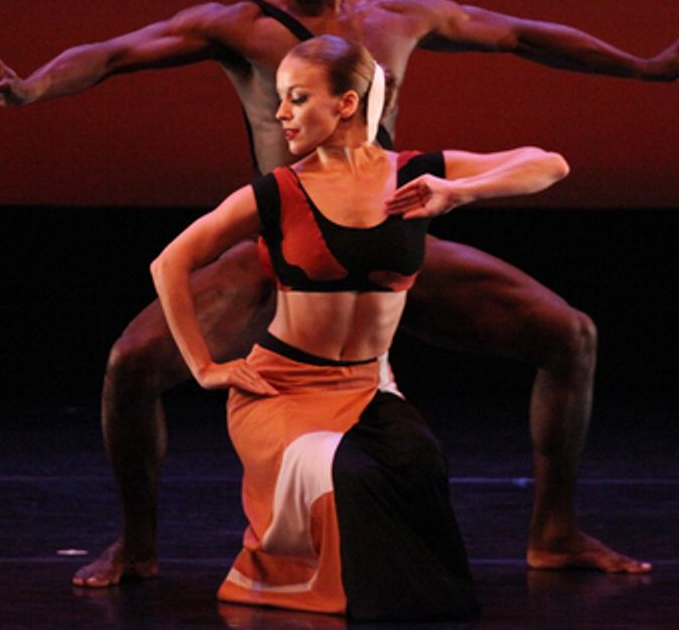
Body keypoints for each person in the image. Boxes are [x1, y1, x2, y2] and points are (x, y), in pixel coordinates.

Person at [0, 0, 679, 585]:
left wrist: (646, 69)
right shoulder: (238, 26)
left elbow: (522, 35)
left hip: (388, 239)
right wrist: (28, 89)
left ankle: (552, 534)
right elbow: (117, 53)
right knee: (129, 365)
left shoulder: (399, 18)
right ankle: (137, 547)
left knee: (571, 336)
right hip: (282, 254)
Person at [151, 34, 568, 619]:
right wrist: (204, 367)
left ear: (345, 104)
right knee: (349, 475)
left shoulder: (414, 173)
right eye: (281, 99)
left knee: (421, 465)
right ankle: (324, 594)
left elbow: (549, 164)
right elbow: (170, 262)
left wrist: (458, 192)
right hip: (282, 391)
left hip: (367, 385)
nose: (281, 114)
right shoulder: (279, 191)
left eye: (298, 99)